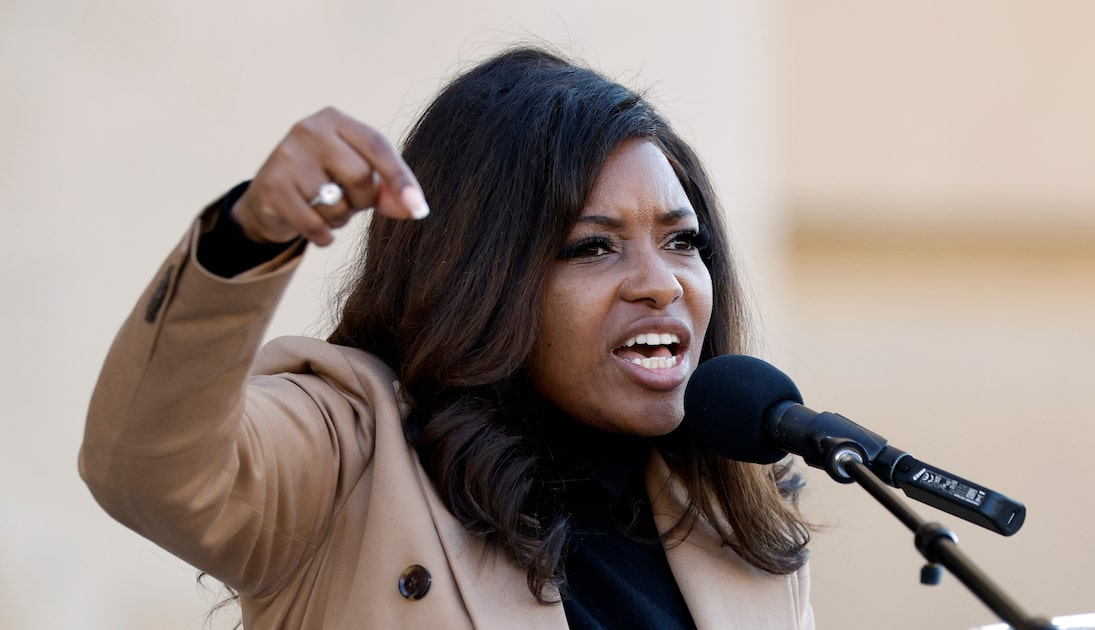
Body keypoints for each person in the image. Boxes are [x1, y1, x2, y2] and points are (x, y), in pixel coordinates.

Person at [80, 46, 815, 629]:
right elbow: (148, 469)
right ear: (482, 276)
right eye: (592, 247)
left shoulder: (731, 517)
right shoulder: (354, 456)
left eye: (684, 241)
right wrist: (247, 240)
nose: (663, 283)